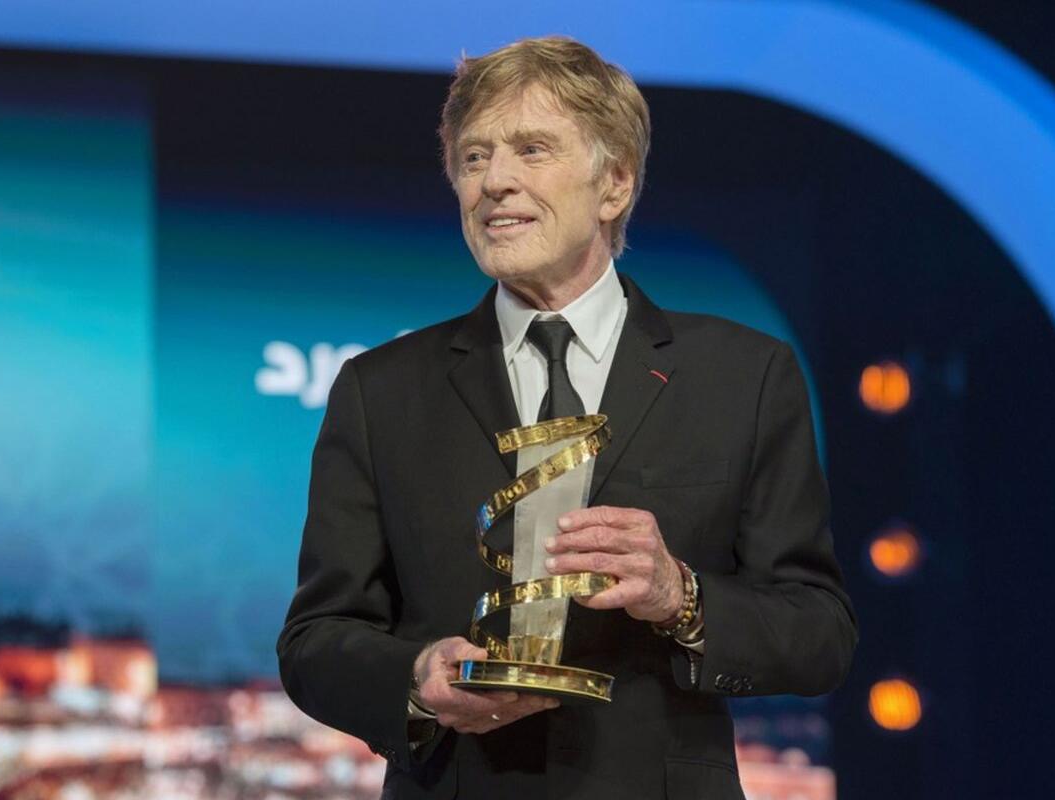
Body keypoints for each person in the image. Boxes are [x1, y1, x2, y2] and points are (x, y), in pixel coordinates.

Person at [277, 36, 857, 799]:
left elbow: (819, 634)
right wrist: (416, 677)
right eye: (475, 157)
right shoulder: (379, 390)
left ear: (613, 184)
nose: (494, 182)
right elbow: (315, 640)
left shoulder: (744, 376)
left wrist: (679, 596)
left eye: (531, 149)